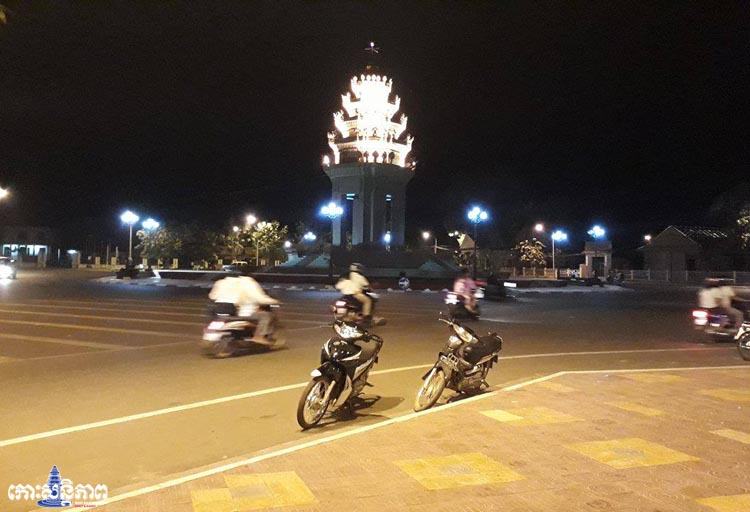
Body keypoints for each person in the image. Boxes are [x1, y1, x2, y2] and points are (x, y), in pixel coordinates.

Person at [209, 275, 279, 343]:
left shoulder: (221, 282)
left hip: (220, 311)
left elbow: (212, 296)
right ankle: (259, 336)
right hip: (244, 313)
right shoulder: (248, 283)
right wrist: (275, 301)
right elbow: (260, 298)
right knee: (266, 316)